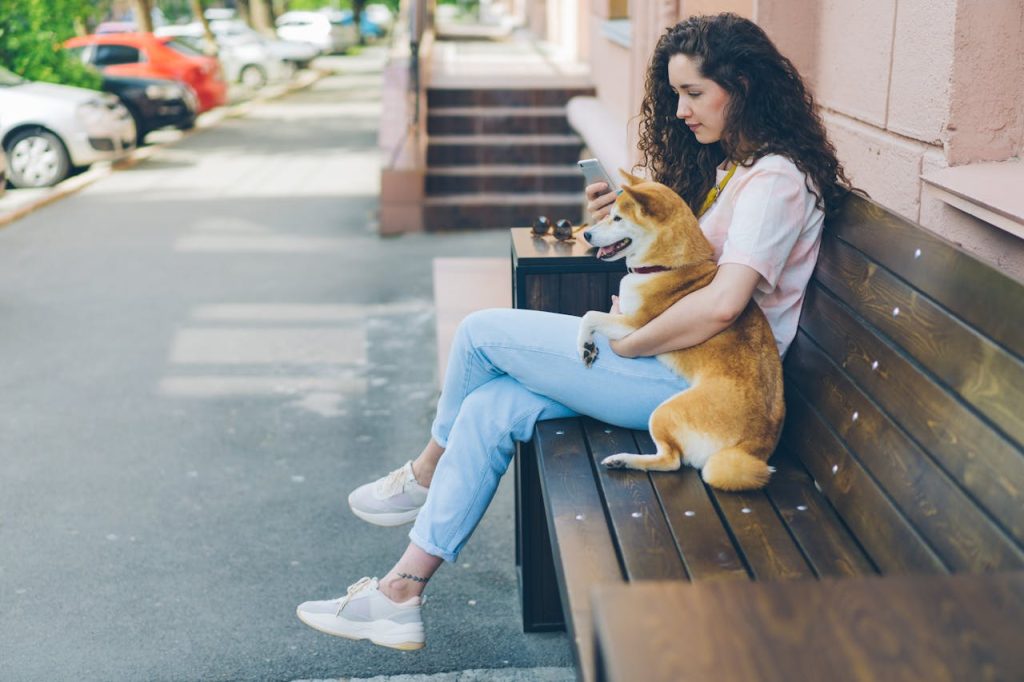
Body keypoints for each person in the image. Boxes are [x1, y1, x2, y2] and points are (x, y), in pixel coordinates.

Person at [295, 12, 853, 650]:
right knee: (489, 405)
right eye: (674, 94)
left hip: (693, 388)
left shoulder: (775, 180)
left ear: (745, 86)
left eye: (694, 93)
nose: (679, 111)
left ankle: (425, 472)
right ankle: (399, 594)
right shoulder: (735, 168)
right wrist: (625, 231)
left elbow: (724, 304)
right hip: (667, 364)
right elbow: (684, 270)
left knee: (479, 333)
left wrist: (627, 342)